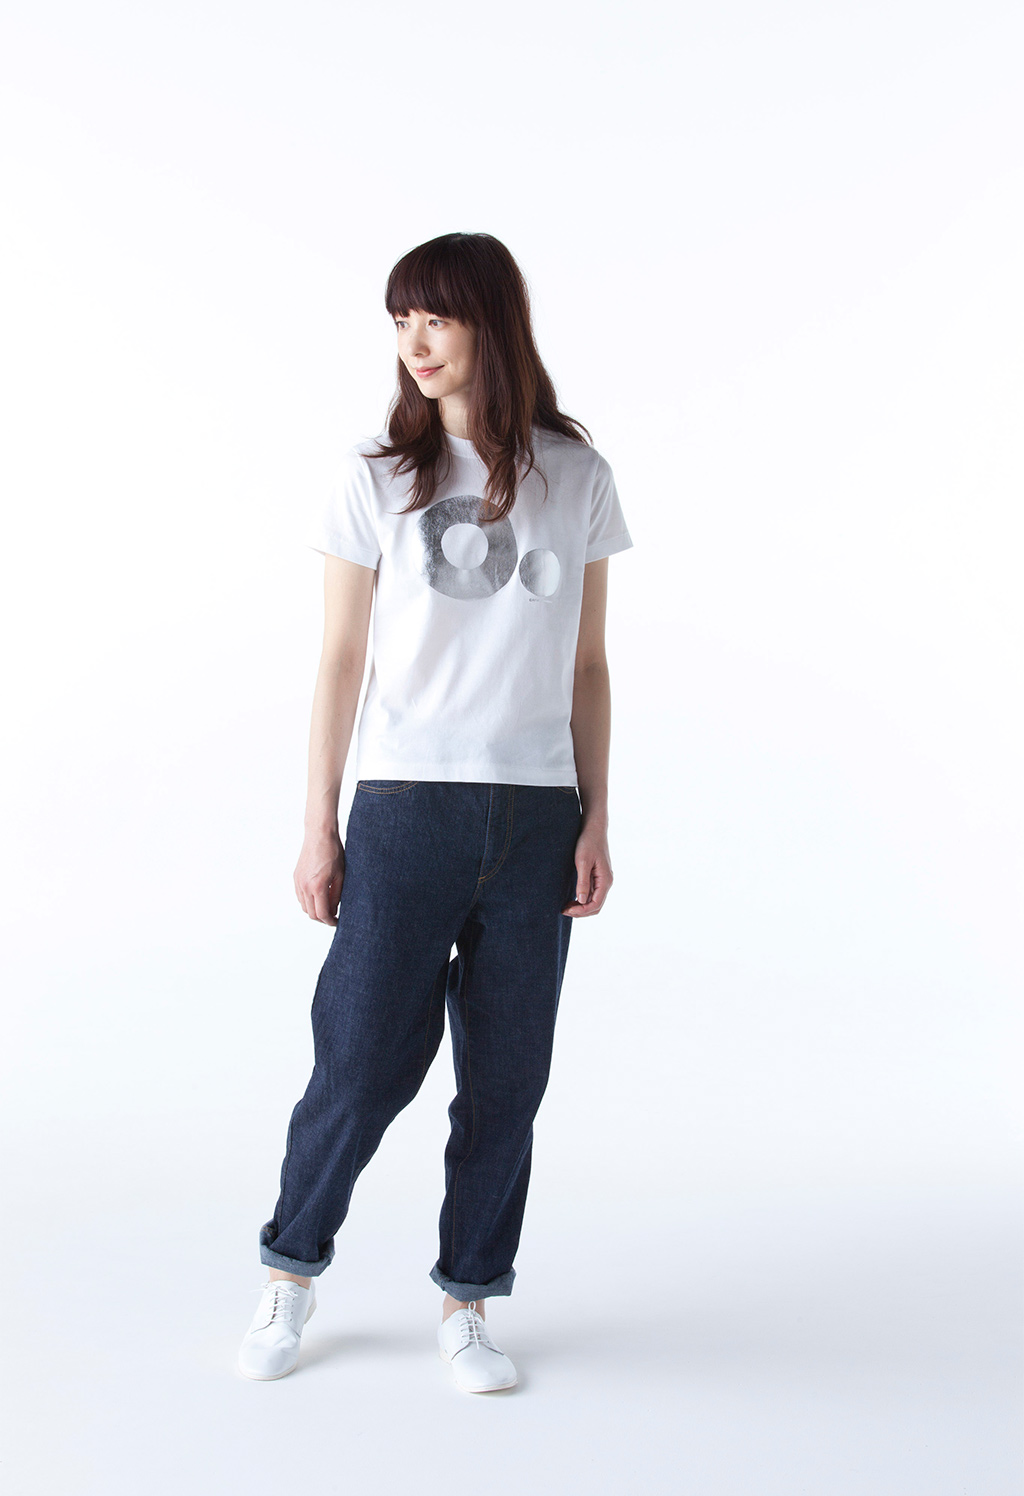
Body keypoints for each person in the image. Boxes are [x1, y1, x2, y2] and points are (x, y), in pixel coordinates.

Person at [237, 231, 634, 1391]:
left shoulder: (576, 473)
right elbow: (339, 658)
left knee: (505, 1082)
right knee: (360, 1064)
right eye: (399, 318)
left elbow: (588, 663)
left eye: (436, 317)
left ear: (489, 323)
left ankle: (469, 1299)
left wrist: (596, 814)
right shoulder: (374, 474)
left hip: (535, 814)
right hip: (406, 806)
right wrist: (318, 823)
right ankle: (290, 1268)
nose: (413, 341)